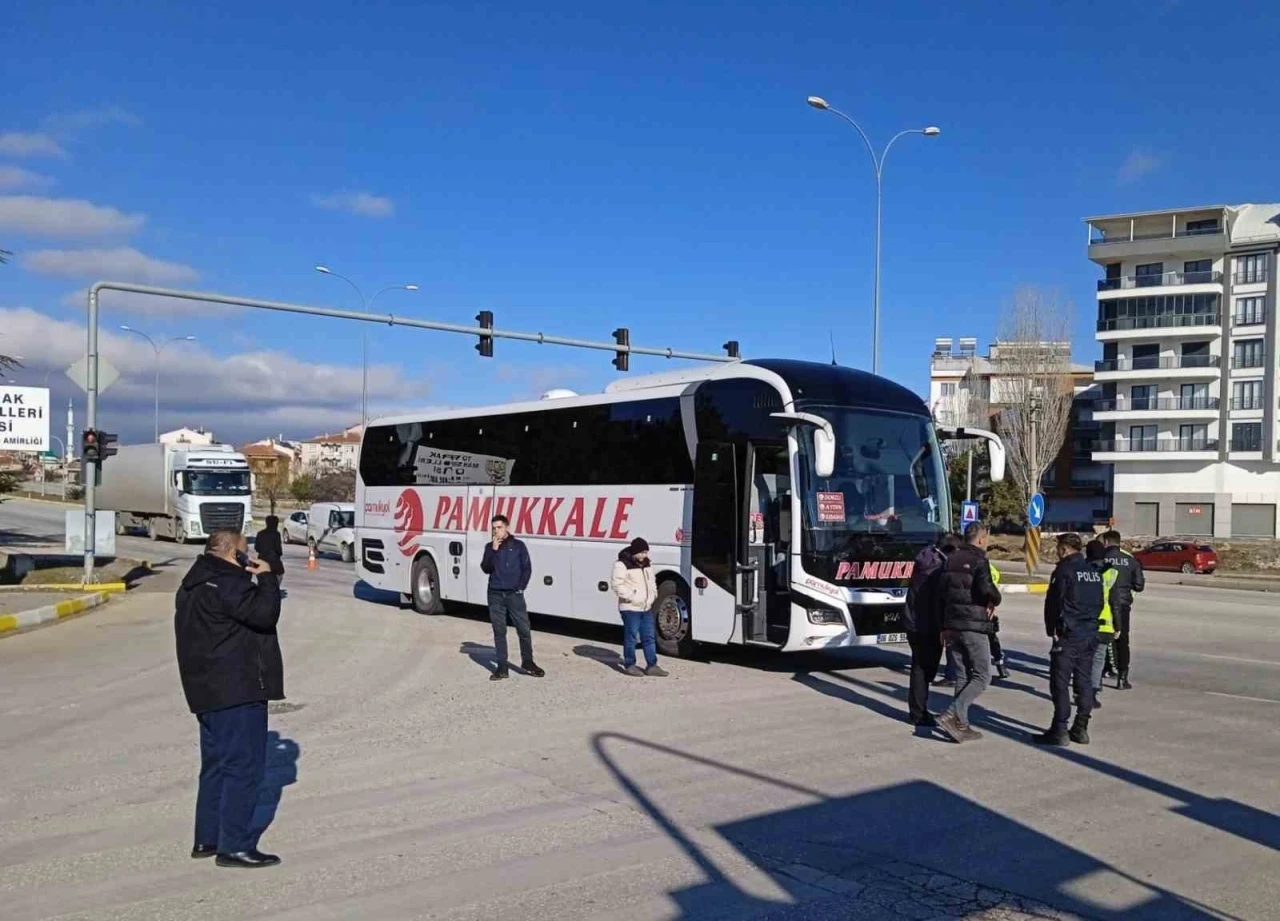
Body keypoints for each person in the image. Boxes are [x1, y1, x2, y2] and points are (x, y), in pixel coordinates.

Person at [174, 529, 284, 868]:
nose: (247, 554)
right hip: (237, 689)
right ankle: (234, 845)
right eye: (244, 550)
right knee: (243, 768)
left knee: (216, 767)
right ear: (231, 552)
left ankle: (207, 838)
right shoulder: (229, 584)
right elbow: (265, 615)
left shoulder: (193, 582)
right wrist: (267, 579)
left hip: (205, 690)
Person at [1034, 533, 1104, 746]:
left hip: (1069, 634)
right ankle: (1081, 728)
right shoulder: (1093, 571)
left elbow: (1054, 603)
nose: (1057, 552)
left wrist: (1052, 628)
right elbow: (1100, 602)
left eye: (1058, 548)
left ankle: (1060, 729)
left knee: (1060, 683)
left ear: (1064, 549)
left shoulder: (1064, 570)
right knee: (1084, 682)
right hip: (1090, 633)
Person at [936, 522, 1001, 743]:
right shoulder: (980, 560)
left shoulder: (950, 559)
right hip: (973, 625)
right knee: (983, 676)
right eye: (987, 539)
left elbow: (941, 596)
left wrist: (943, 627)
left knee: (962, 675)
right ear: (982, 539)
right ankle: (952, 713)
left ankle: (961, 725)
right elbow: (985, 589)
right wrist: (996, 598)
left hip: (952, 625)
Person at [480, 514, 543, 681]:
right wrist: (493, 550)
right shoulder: (489, 547)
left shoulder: (518, 546)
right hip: (495, 594)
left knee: (524, 629)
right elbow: (485, 568)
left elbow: (527, 568)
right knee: (499, 631)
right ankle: (502, 667)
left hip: (513, 594)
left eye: (499, 527)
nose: (496, 531)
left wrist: (520, 588)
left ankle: (528, 662)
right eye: (494, 528)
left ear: (507, 527)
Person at [904, 532, 958, 727]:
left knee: (919, 667)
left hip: (913, 621)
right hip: (930, 625)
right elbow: (940, 602)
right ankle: (918, 713)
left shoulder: (924, 558)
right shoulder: (940, 569)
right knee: (924, 669)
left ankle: (917, 710)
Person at [611, 537, 667, 677]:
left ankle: (652, 665)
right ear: (634, 552)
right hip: (630, 608)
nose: (644, 556)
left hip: (645, 607)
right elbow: (616, 584)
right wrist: (632, 596)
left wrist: (653, 595)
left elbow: (651, 581)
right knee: (631, 637)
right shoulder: (622, 564)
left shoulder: (647, 564)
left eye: (646, 552)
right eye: (641, 553)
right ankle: (630, 664)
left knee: (648, 637)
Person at [1100, 530, 1145, 689]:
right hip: (1123, 604)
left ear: (1106, 542)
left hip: (1101, 605)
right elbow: (1139, 586)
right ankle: (1122, 678)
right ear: (1120, 543)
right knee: (1122, 641)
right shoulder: (1131, 561)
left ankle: (1100, 673)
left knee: (1100, 639)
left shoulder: (1099, 559)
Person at [1085, 539, 1118, 711]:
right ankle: (1093, 692)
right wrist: (1118, 625)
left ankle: (1081, 691)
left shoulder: (1081, 570)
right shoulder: (1111, 573)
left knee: (1084, 659)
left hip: (1084, 622)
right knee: (1098, 660)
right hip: (1105, 622)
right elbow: (1114, 601)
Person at [987, 562, 1010, 681]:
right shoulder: (985, 564)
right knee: (991, 638)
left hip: (980, 608)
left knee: (990, 637)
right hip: (984, 608)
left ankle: (1000, 664)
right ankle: (1000, 665)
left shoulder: (983, 563)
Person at [254, 515, 285, 579]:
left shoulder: (260, 533)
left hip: (261, 559)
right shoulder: (276, 534)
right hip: (273, 561)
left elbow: (256, 548)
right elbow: (278, 549)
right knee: (280, 574)